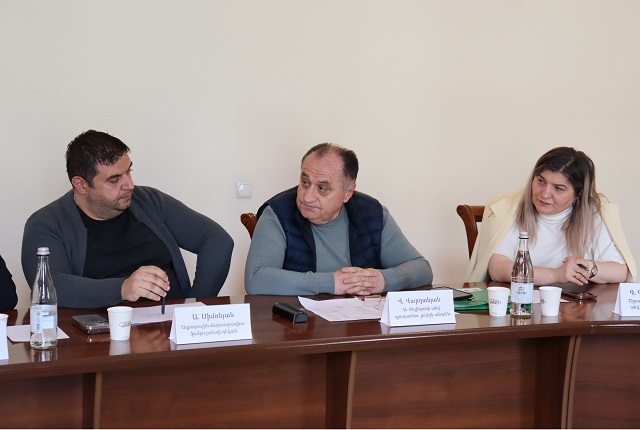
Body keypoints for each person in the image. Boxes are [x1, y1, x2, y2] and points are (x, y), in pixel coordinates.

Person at [22, 130, 234, 308]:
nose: (129, 185)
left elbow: (217, 241)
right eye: (114, 180)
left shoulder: (150, 201)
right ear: (81, 185)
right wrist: (123, 288)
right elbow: (50, 286)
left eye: (128, 171)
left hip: (170, 329)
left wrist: (194, 307)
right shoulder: (46, 224)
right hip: (101, 336)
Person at [245, 143, 433, 296]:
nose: (307, 197)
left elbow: (422, 269)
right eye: (305, 182)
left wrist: (381, 280)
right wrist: (330, 283)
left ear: (348, 192)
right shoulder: (277, 213)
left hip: (362, 324)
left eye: (322, 188)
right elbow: (256, 279)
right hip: (298, 324)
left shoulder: (372, 214)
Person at [466, 147, 636, 285]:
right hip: (519, 305)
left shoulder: (594, 214)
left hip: (574, 309)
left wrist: (589, 268)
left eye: (558, 188)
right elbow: (497, 268)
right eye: (541, 181)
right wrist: (556, 275)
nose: (545, 194)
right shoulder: (510, 209)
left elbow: (620, 271)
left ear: (578, 195)